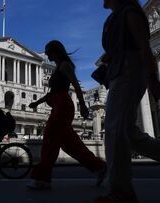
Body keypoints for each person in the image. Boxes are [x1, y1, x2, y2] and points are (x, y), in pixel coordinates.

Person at [95, 0, 160, 202]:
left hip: (129, 73)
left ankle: (122, 190)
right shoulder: (115, 17)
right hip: (119, 73)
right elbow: (126, 44)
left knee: (114, 129)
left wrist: (153, 79)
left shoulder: (131, 12)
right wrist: (108, 56)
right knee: (129, 133)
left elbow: (144, 47)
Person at [26, 40, 107, 190]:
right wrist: (37, 104)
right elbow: (52, 93)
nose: (46, 53)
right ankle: (99, 167)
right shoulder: (58, 67)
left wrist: (82, 105)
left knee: (50, 140)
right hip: (58, 104)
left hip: (63, 105)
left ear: (55, 51)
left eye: (48, 50)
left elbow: (75, 85)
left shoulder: (65, 65)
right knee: (69, 144)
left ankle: (42, 178)